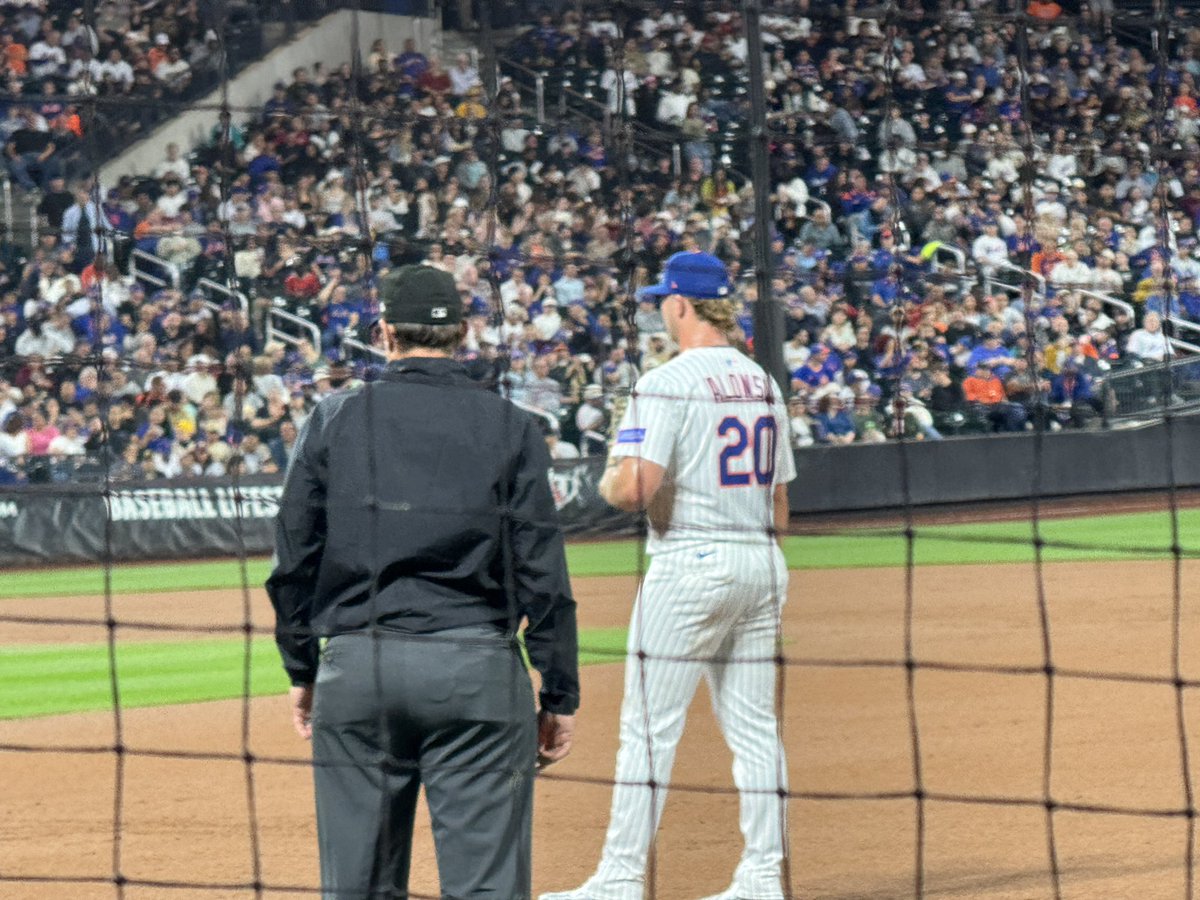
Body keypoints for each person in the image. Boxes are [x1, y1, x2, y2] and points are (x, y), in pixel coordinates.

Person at [267, 265, 580, 900]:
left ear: (385, 333)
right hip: (476, 675)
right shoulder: (512, 425)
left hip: (359, 674)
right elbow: (541, 570)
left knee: (356, 888)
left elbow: (294, 557)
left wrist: (302, 669)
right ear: (463, 333)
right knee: (486, 889)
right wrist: (559, 693)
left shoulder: (331, 420)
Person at [541, 252, 794, 900]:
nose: (658, 308)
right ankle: (763, 878)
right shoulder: (764, 382)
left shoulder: (668, 380)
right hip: (763, 564)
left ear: (680, 304)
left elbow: (632, 489)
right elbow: (782, 509)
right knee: (756, 730)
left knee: (647, 731)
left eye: (662, 299)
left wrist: (614, 466)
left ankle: (620, 882)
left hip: (690, 564)